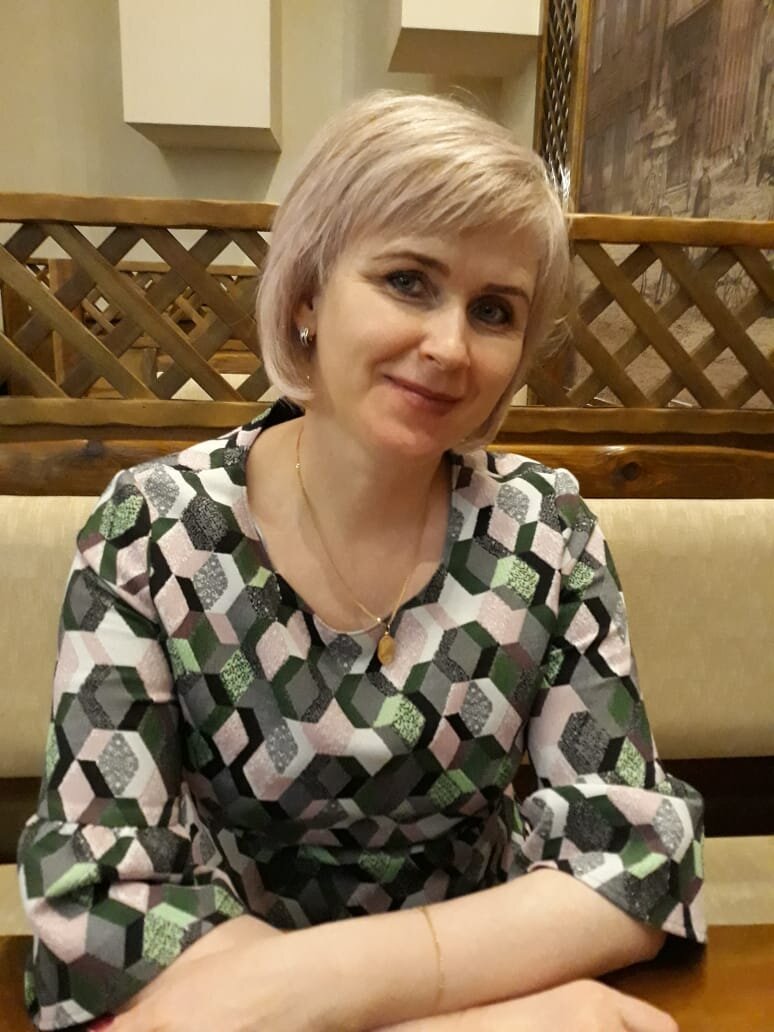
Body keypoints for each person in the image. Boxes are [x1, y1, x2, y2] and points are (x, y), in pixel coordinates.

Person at [17, 91, 704, 1032]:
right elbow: (101, 895)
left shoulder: (545, 532)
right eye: (409, 281)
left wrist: (308, 998)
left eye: (493, 310)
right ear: (307, 294)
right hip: (369, 988)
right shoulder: (151, 531)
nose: (450, 347)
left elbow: (629, 856)